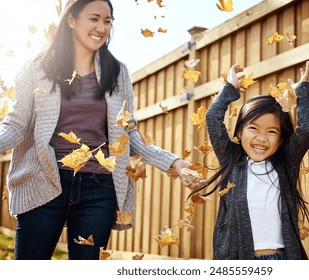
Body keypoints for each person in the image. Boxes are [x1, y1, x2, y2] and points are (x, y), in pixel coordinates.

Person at [0, 0, 197, 260]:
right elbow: (15, 125)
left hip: (98, 186)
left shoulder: (118, 74)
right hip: (44, 180)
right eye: (94, 18)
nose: (101, 27)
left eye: (107, 21)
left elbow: (128, 136)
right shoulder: (35, 70)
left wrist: (174, 163)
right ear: (71, 20)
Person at [191, 60, 309, 260]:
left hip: (281, 258)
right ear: (240, 131)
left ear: (281, 138)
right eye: (253, 128)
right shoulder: (231, 161)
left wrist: (300, 93)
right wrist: (229, 89)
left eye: (271, 131)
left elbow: (308, 129)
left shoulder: (286, 163)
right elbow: (213, 118)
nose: (261, 138)